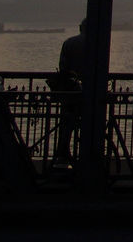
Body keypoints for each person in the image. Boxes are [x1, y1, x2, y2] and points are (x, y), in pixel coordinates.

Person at [50, 18, 85, 167]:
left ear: (80, 27)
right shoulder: (98, 43)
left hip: (70, 91)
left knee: (67, 124)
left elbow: (63, 67)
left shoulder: (69, 43)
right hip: (88, 91)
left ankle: (63, 153)